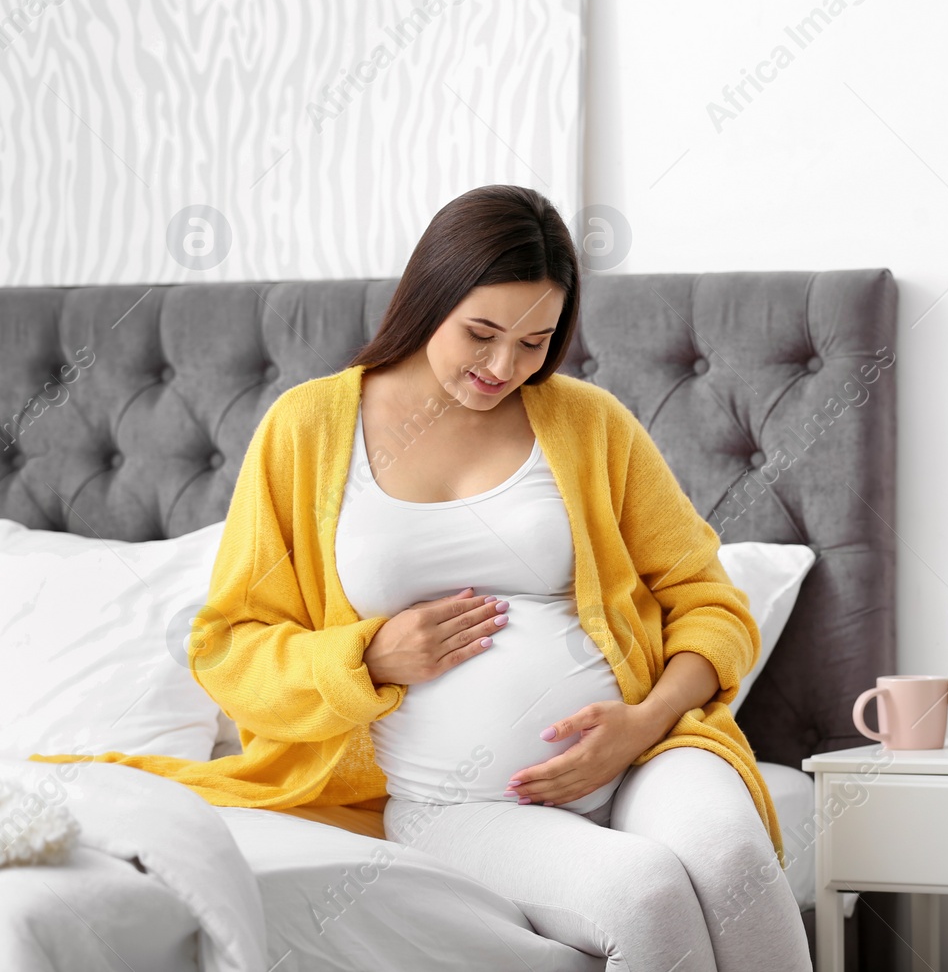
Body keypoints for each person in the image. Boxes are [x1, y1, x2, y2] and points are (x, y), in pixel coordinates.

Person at [31, 184, 812, 971]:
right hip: (458, 802)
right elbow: (228, 645)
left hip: (648, 751)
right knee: (644, 892)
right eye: (481, 332)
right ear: (427, 297)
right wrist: (365, 658)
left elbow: (707, 599)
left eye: (537, 341)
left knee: (734, 863)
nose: (505, 366)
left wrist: (641, 724)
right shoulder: (306, 430)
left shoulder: (590, 423)